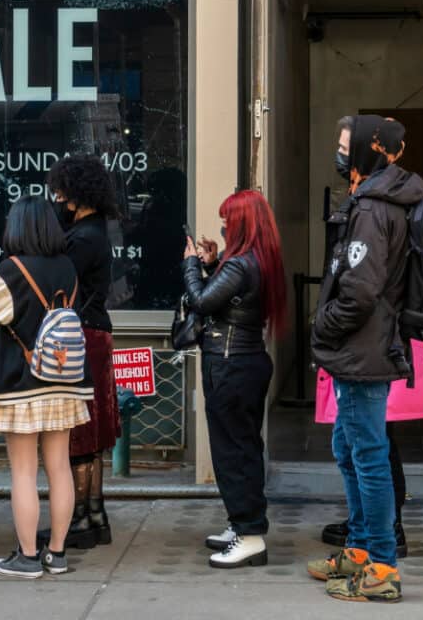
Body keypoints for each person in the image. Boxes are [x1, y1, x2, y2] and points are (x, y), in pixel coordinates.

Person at [308, 115, 423, 604]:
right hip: (360, 348)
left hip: (361, 348)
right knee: (350, 452)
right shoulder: (374, 199)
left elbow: (359, 290)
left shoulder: (375, 209)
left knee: (368, 457)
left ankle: (381, 567)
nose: (338, 153)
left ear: (366, 150)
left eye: (343, 145)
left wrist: (323, 325)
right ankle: (358, 552)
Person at [0, 197, 95, 579]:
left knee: (23, 472)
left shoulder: (11, 270)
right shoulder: (68, 268)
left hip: (21, 384)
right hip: (65, 380)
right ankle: (57, 554)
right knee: (59, 468)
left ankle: (27, 557)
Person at [183, 189, 288, 569]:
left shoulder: (240, 264)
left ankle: (249, 536)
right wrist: (213, 264)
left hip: (230, 365)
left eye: (229, 219)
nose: (224, 226)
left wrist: (192, 265)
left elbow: (201, 301)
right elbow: (226, 299)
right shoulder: (258, 260)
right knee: (242, 447)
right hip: (245, 362)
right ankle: (242, 525)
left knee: (232, 451)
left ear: (243, 223)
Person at [44, 154, 121, 549]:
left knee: (79, 433)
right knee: (91, 434)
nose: (57, 198)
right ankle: (93, 514)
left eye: (61, 190)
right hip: (95, 335)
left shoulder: (81, 238)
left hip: (82, 337)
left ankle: (79, 518)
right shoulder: (95, 231)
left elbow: (57, 284)